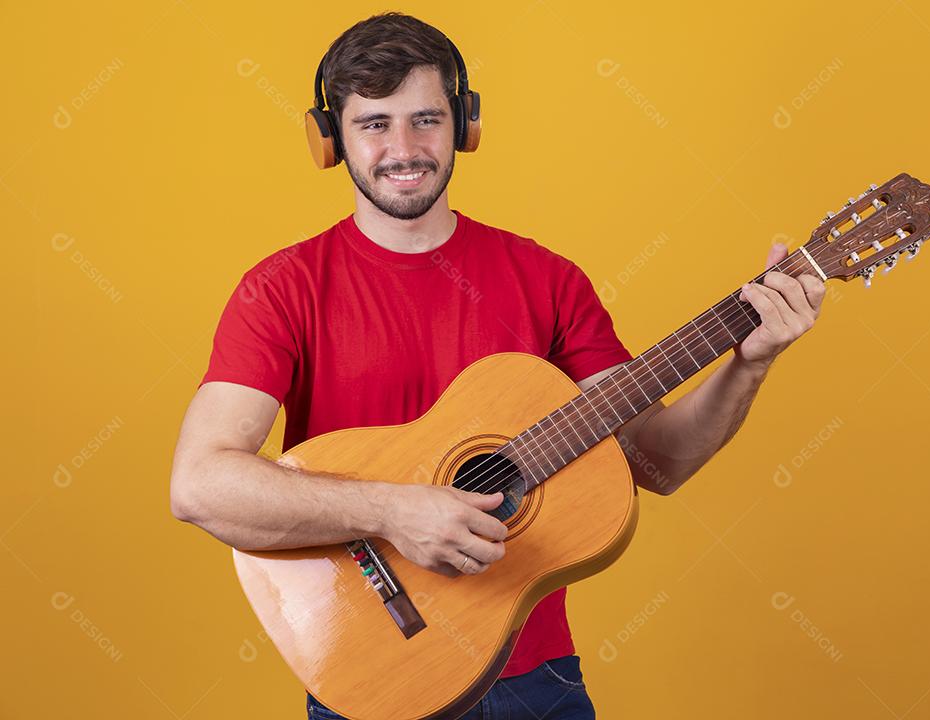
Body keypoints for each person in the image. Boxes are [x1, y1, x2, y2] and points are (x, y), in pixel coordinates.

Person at [169, 12, 825, 720]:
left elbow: (657, 463)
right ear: (329, 139)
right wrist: (393, 512)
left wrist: (749, 363)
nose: (403, 147)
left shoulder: (547, 279)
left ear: (465, 125)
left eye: (425, 118)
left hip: (538, 684)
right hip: (376, 671)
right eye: (374, 124)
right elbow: (200, 484)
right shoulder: (284, 288)